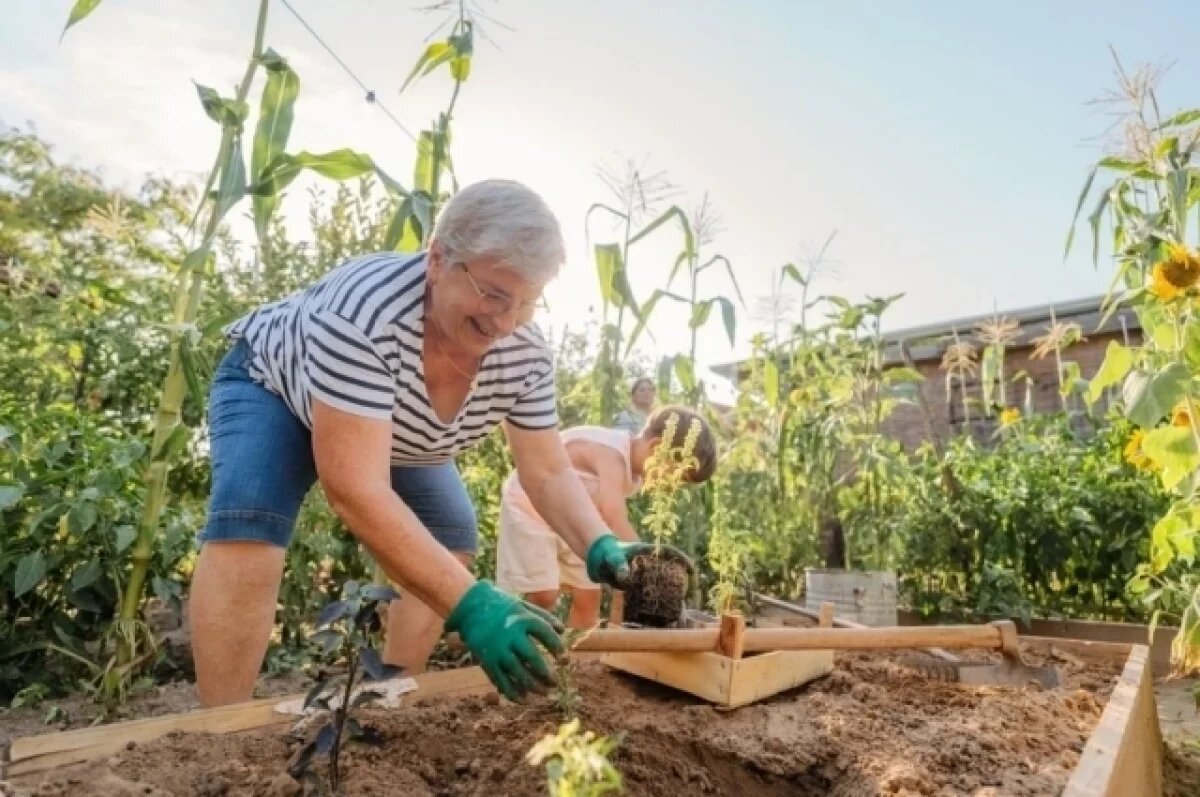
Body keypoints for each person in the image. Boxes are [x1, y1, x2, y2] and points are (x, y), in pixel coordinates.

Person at [189, 179, 683, 706]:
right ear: (438, 259)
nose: (505, 322)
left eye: (526, 302)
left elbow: (547, 470)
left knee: (448, 532)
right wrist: (472, 606)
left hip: (398, 425)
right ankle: (222, 727)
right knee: (251, 521)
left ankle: (390, 694)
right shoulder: (364, 313)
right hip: (276, 389)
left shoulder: (525, 352)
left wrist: (599, 542)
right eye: (493, 294)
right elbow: (355, 488)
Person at [497, 406, 717, 628]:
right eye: (676, 475)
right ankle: (515, 636)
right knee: (544, 594)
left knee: (588, 596)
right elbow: (612, 514)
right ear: (656, 448)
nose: (673, 485)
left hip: (574, 522)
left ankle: (577, 650)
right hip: (530, 507)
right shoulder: (613, 452)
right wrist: (649, 565)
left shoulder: (635, 475)